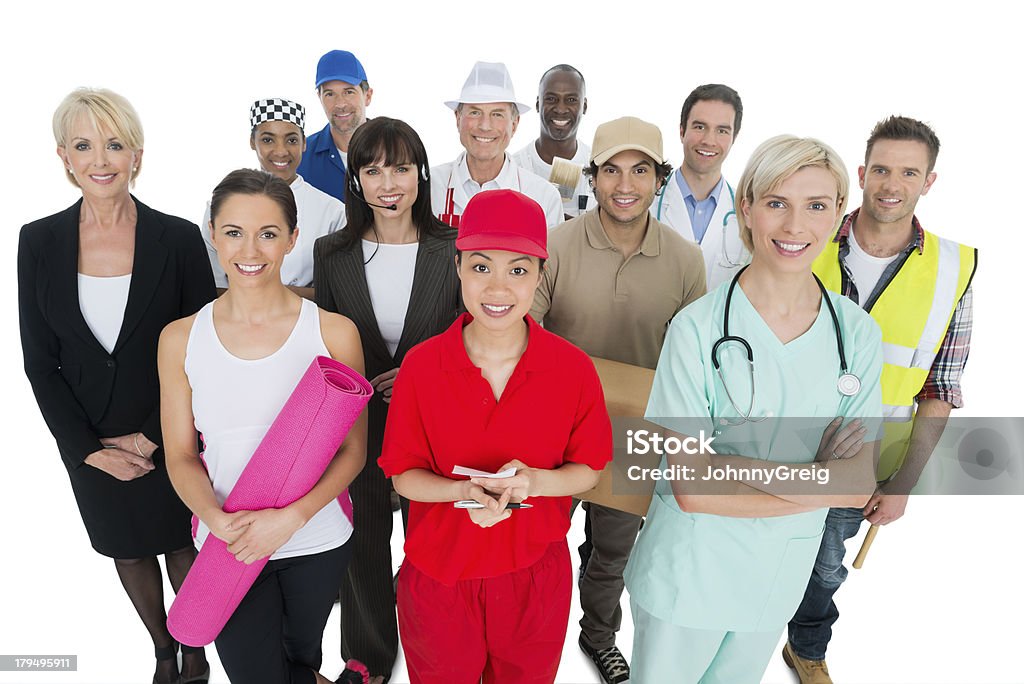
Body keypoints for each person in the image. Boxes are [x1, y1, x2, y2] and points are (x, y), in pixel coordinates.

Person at [623, 135, 883, 684]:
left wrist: (729, 469)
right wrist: (817, 476)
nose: (794, 227)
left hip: (776, 578)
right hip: (688, 576)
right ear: (747, 208)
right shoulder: (696, 329)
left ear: (840, 213)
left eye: (816, 205)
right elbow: (693, 488)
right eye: (775, 202)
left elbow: (857, 484)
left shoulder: (855, 334)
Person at [17, 87, 215, 684]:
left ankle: (197, 649)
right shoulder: (37, 241)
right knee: (127, 550)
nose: (100, 158)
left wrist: (157, 438)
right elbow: (38, 361)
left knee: (182, 545)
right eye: (83, 145)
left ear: (137, 155)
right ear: (63, 158)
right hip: (88, 438)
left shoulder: (178, 239)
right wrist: (88, 450)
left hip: (170, 434)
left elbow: (201, 353)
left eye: (114, 143)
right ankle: (161, 647)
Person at [378, 189, 613, 683]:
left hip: (534, 577)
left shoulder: (571, 369)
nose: (498, 288)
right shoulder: (422, 367)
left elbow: (588, 471)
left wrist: (532, 482)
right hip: (441, 576)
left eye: (519, 270)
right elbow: (403, 477)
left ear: (540, 275)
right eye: (482, 267)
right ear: (458, 267)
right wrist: (463, 491)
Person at [784, 116, 977, 684]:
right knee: (752, 549)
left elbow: (941, 387)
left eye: (909, 173)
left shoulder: (952, 269)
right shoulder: (805, 233)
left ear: (929, 181)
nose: (893, 185)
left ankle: (806, 648)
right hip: (777, 443)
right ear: (863, 173)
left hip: (866, 462)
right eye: (883, 170)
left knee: (823, 569)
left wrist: (903, 484)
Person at [159, 169, 367, 684]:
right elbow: (181, 455)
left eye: (268, 233)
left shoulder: (333, 332)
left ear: (293, 238)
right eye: (233, 232)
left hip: (315, 538)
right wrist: (213, 517)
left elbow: (353, 452)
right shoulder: (180, 339)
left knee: (301, 661)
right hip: (226, 542)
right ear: (212, 232)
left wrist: (290, 518)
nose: (249, 249)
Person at [530, 115, 706, 684]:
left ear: (660, 178)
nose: (624, 185)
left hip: (634, 434)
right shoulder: (556, 244)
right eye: (611, 170)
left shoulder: (685, 260)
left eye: (639, 171)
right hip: (555, 428)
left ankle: (598, 635)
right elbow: (522, 331)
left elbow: (691, 360)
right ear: (594, 175)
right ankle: (535, 640)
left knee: (611, 552)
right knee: (539, 544)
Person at [314, 117, 461, 684]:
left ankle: (437, 653)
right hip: (359, 427)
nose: (388, 182)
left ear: (421, 174)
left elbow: (472, 332)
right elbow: (325, 345)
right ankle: (369, 661)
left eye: (400, 168)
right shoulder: (334, 253)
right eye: (372, 170)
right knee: (365, 549)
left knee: (433, 549)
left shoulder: (452, 247)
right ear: (356, 181)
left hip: (436, 424)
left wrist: (424, 373)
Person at [203, 97, 345, 288]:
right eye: (268, 140)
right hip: (232, 316)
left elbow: (335, 292)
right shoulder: (221, 204)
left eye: (291, 140)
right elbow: (213, 285)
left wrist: (271, 297)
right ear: (253, 142)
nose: (281, 151)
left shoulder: (332, 211)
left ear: (304, 143)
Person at [430, 61, 564, 228]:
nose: (485, 125)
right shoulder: (428, 187)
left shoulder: (543, 197)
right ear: (458, 118)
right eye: (475, 112)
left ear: (514, 124)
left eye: (497, 114)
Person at [653, 84, 749, 289]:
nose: (709, 140)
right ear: (681, 131)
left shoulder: (747, 217)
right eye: (699, 127)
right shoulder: (647, 203)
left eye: (722, 130)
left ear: (734, 138)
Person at [512, 64, 593, 219]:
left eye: (571, 100)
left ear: (584, 106)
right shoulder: (514, 168)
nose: (560, 109)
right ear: (538, 104)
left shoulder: (599, 167)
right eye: (551, 99)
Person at [297, 49, 373, 202]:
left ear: (367, 96)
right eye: (330, 94)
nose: (340, 104)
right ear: (320, 98)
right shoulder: (301, 158)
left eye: (349, 92)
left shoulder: (395, 148)